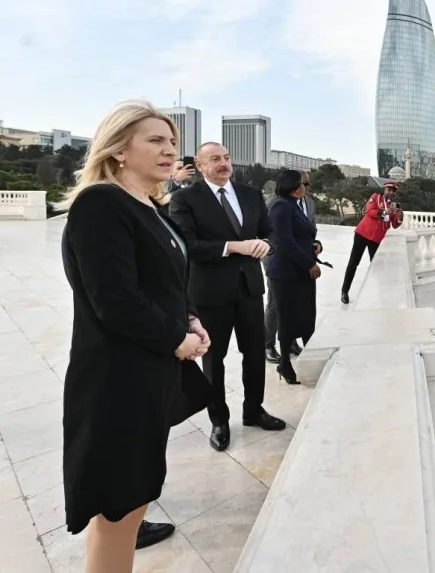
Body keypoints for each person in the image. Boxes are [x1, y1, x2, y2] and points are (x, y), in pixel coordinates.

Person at [59, 100, 213, 572]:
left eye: (172, 142)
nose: (170, 151)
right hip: (115, 384)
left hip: (146, 379)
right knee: (117, 512)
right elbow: (116, 300)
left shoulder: (150, 207)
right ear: (119, 149)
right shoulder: (101, 204)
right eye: (156, 140)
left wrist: (189, 319)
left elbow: (166, 280)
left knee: (133, 501)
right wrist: (176, 340)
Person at [168, 143, 286, 453]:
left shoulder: (250, 194)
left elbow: (269, 232)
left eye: (227, 158)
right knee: (214, 360)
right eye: (215, 159)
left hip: (248, 289)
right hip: (209, 294)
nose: (224, 164)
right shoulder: (184, 199)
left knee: (255, 354)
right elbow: (188, 245)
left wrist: (265, 245)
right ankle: (219, 420)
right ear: (200, 164)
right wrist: (236, 247)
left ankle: (254, 410)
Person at [266, 170, 324, 384]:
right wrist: (309, 263)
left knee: (306, 316)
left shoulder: (294, 204)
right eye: (303, 184)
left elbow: (304, 234)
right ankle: (285, 364)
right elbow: (285, 241)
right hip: (287, 273)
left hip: (300, 272)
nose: (306, 188)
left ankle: (309, 359)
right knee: (287, 318)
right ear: (293, 185)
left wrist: (316, 246)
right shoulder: (281, 205)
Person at [340, 181, 403, 305]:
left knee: (377, 267)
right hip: (362, 234)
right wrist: (385, 212)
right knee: (353, 263)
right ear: (384, 190)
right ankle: (344, 291)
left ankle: (381, 294)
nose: (391, 192)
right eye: (389, 190)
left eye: (393, 191)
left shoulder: (395, 207)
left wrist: (400, 215)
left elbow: (395, 225)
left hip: (376, 240)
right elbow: (370, 211)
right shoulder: (376, 197)